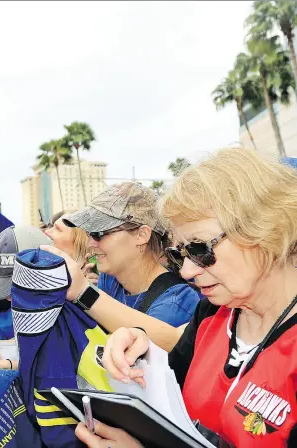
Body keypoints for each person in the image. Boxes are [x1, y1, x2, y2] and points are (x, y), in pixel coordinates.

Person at [63, 149, 297, 447]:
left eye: (200, 249)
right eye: (180, 253)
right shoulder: (211, 314)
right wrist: (140, 345)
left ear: (266, 230)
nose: (186, 271)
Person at [62, 182, 200, 327]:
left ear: (142, 235)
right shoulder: (110, 279)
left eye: (99, 233)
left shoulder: (175, 303)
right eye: (89, 234)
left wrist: (83, 292)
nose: (89, 244)